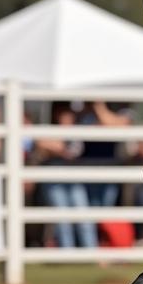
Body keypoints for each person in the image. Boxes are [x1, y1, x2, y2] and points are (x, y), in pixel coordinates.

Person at [34, 102, 97, 250]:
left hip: (72, 177)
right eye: (66, 114)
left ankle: (91, 251)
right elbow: (41, 143)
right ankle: (67, 251)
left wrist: (55, 147)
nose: (69, 118)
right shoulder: (49, 129)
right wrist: (57, 147)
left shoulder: (75, 131)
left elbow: (71, 151)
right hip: (54, 178)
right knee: (62, 217)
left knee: (83, 215)